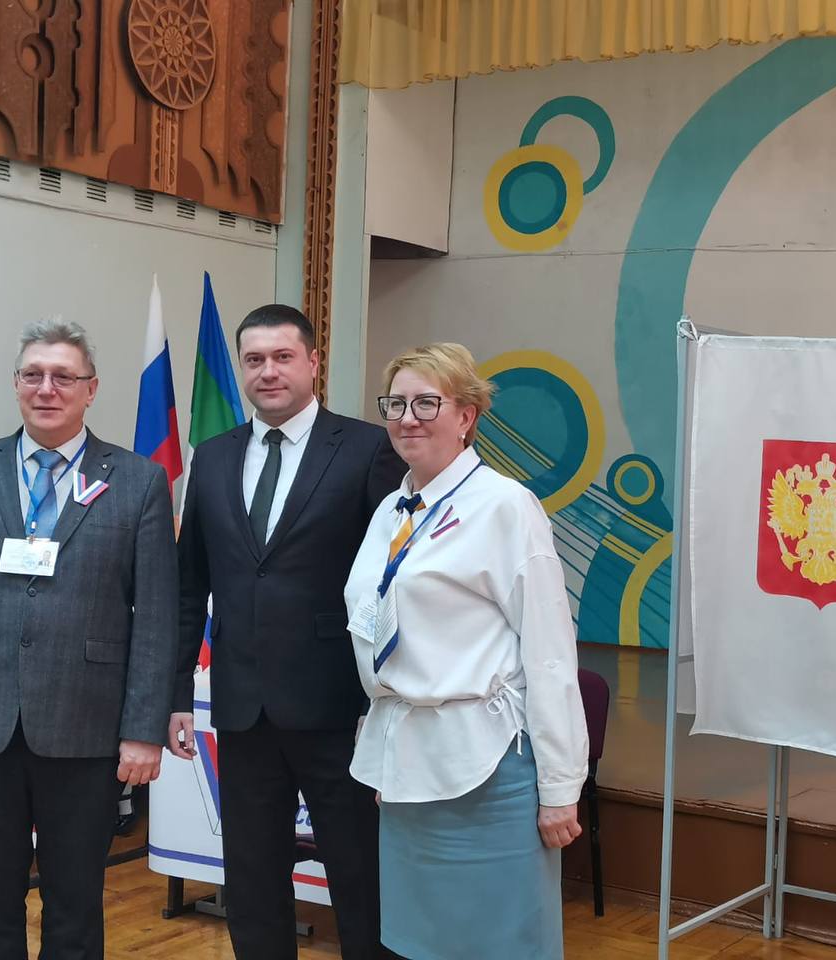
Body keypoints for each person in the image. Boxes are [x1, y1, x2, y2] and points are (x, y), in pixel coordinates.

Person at [0, 319, 178, 960]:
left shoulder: (138, 480)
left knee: (75, 906)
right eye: (33, 375)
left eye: (63, 377)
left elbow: (156, 618)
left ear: (91, 389)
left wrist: (143, 730)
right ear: (16, 384)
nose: (46, 388)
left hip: (86, 727)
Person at [169, 304, 406, 960]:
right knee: (251, 878)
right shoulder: (212, 457)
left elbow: (395, 583)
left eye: (282, 357)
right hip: (243, 708)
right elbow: (190, 586)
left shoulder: (367, 449)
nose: (267, 372)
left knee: (359, 874)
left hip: (340, 710)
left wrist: (385, 697)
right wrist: (176, 693)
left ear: (312, 363)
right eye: (254, 360)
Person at [343, 343, 589, 960]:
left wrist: (561, 786)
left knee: (499, 943)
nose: (408, 417)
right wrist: (387, 756)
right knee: (417, 943)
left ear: (466, 416)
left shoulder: (505, 505)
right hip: (408, 767)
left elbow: (551, 655)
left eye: (427, 403)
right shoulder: (390, 511)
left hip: (487, 769)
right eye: (396, 404)